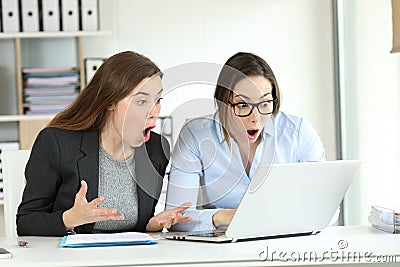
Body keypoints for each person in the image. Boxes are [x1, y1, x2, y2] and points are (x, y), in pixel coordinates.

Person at [17, 51, 191, 236]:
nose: (154, 111)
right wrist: (69, 219)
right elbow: (26, 222)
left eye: (157, 100)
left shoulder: (156, 148)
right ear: (110, 102)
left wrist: (150, 225)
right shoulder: (56, 142)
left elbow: (133, 227)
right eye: (141, 101)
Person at [165, 52, 325, 232]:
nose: (255, 118)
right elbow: (175, 219)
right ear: (223, 102)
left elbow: (326, 207)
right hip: (222, 247)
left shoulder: (298, 133)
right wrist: (225, 216)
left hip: (286, 242)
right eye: (242, 105)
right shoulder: (195, 135)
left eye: (265, 103)